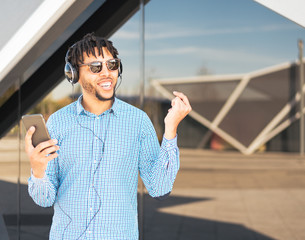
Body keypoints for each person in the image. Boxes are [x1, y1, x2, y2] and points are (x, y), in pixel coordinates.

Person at [25, 32, 192, 240]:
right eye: (95, 67)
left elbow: (159, 187)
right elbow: (44, 199)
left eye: (112, 65)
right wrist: (38, 170)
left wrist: (170, 129)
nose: (107, 73)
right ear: (74, 74)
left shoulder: (138, 121)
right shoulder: (58, 122)